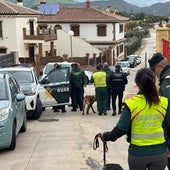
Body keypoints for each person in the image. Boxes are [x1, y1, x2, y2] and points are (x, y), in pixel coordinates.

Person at [97, 68, 170, 170]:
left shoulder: (131, 104)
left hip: (138, 154)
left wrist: (107, 136)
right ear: (154, 81)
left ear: (136, 83)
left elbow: (121, 129)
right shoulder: (164, 102)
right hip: (159, 154)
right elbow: (169, 126)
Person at [148, 52, 170, 169]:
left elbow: (169, 113)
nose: (155, 75)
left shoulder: (166, 82)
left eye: (154, 71)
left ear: (159, 67)